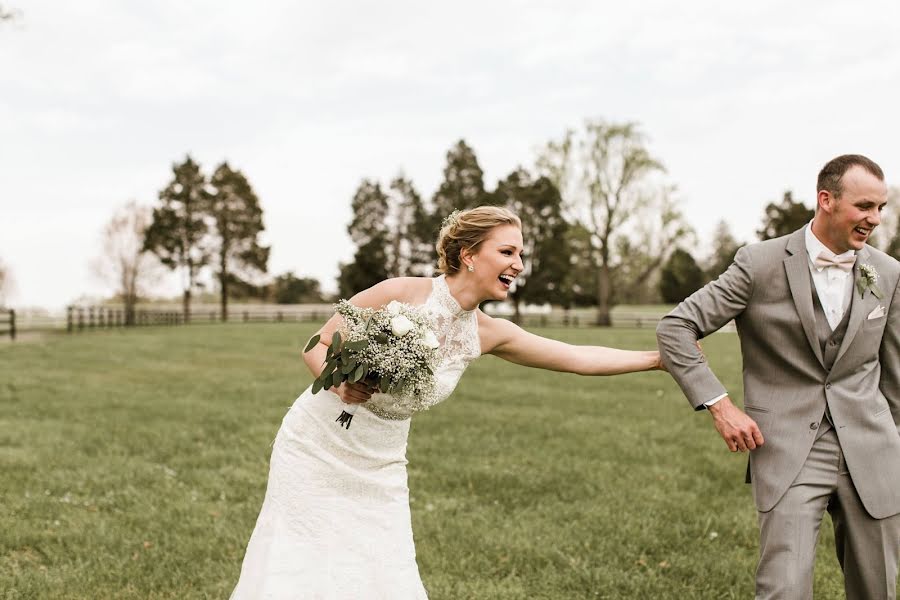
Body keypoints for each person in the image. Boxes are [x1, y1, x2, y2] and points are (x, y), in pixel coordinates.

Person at [230, 206, 662, 599]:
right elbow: (317, 343)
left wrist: (657, 360)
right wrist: (342, 386)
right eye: (508, 251)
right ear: (469, 255)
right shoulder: (402, 292)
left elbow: (576, 357)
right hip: (315, 447)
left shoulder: (489, 333)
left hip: (381, 463)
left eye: (521, 254)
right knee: (301, 564)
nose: (519, 264)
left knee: (383, 573)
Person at [657, 154, 900, 599]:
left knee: (878, 591)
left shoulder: (887, 272)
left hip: (874, 451)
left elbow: (895, 375)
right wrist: (720, 405)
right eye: (865, 206)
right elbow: (676, 327)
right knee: (783, 589)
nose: (875, 219)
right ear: (826, 200)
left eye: (880, 208)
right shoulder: (759, 263)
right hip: (789, 451)